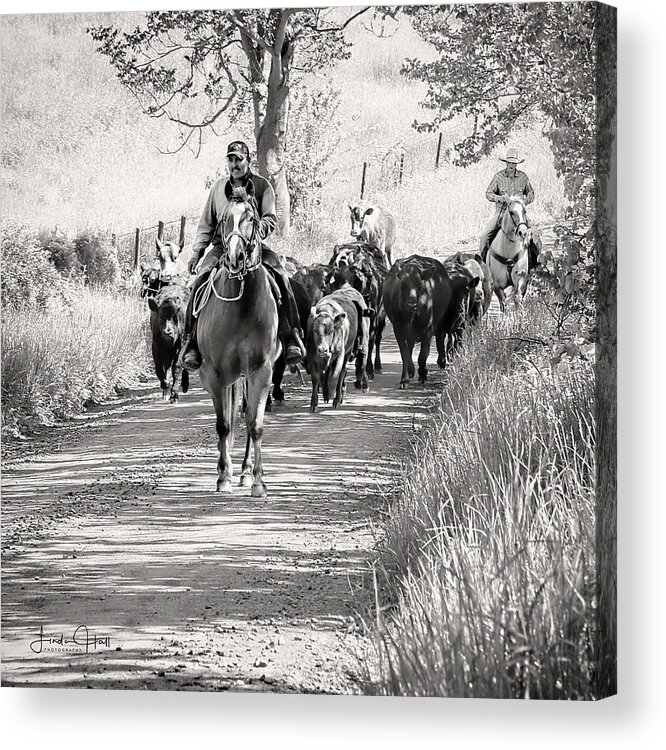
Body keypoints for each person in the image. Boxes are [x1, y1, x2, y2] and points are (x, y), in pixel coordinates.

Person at [180, 140, 306, 371]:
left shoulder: (262, 186)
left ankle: (291, 337)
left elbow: (270, 217)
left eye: (239, 159)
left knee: (281, 276)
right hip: (221, 246)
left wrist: (255, 231)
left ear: (248, 160)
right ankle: (191, 342)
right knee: (200, 280)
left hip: (253, 244)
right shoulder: (218, 188)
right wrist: (197, 252)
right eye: (231, 159)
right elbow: (206, 223)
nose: (235, 164)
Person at [479, 147, 536, 262]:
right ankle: (483, 265)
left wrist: (523, 202)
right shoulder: (498, 177)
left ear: (517, 164)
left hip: (518, 214)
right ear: (506, 163)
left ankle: (535, 264)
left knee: (535, 235)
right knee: (485, 236)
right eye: (509, 162)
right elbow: (488, 193)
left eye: (514, 163)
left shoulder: (523, 177)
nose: (511, 165)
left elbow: (531, 192)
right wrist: (501, 198)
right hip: (501, 213)